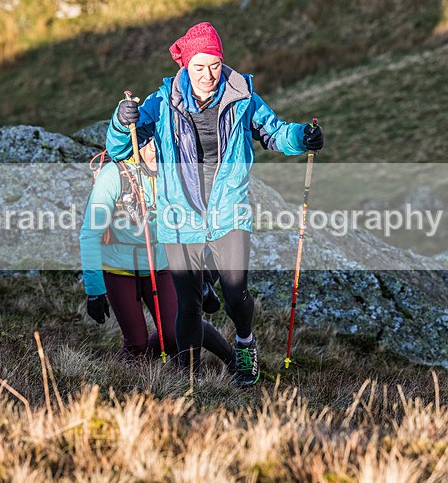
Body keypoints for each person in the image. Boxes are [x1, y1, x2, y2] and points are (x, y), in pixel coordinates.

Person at [105, 22, 324, 386]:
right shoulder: (162, 103)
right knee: (187, 305)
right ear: (185, 67)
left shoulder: (242, 98)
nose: (208, 75)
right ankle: (186, 379)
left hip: (229, 210)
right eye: (199, 67)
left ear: (222, 63)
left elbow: (274, 132)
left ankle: (245, 343)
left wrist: (303, 136)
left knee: (236, 294)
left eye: (214, 66)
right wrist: (120, 121)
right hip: (179, 216)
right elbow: (119, 147)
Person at [79, 139, 233, 366]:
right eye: (153, 148)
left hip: (161, 265)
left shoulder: (171, 173)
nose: (158, 156)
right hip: (118, 269)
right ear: (138, 143)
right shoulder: (113, 175)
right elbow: (90, 234)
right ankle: (122, 378)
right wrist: (94, 290)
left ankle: (140, 367)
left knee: (173, 334)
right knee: (137, 343)